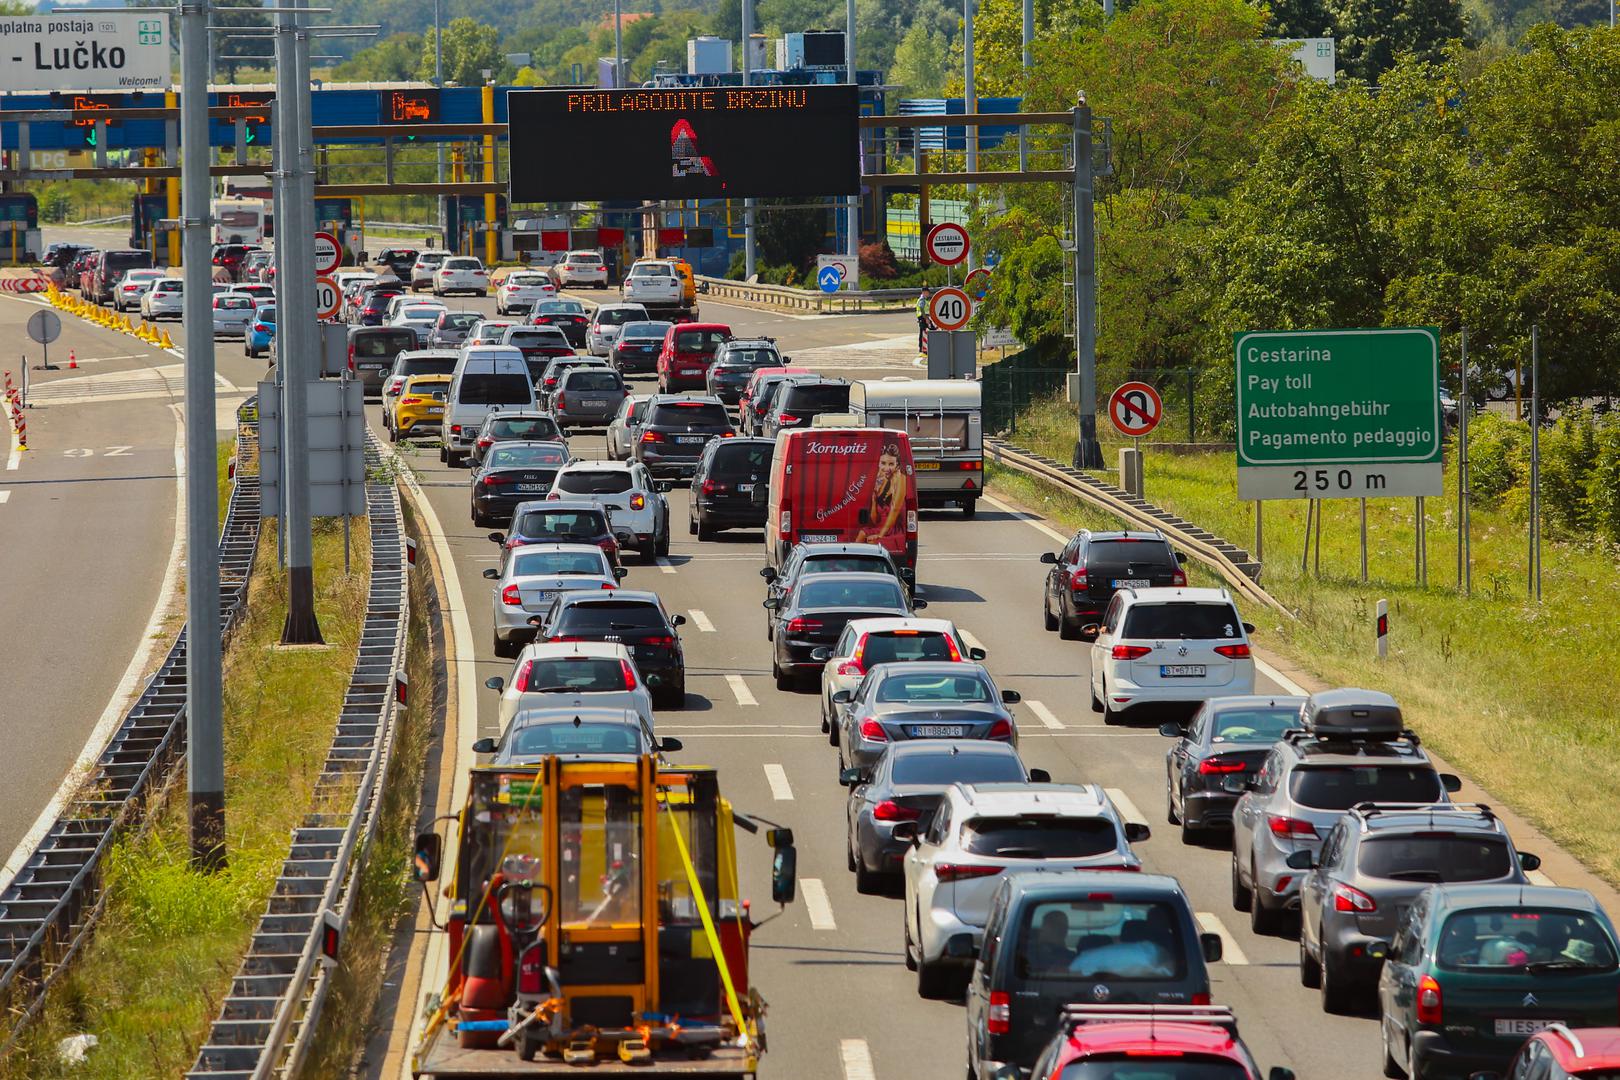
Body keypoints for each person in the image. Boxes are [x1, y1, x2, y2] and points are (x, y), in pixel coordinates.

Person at [855, 441, 907, 544]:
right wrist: (874, 501)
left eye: (891, 464)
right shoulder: (882, 480)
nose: (886, 468)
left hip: (893, 529)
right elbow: (875, 521)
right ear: (878, 463)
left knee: (872, 542)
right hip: (881, 527)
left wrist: (880, 535)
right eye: (883, 463)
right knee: (862, 533)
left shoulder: (901, 478)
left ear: (897, 465)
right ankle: (852, 560)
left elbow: (895, 510)